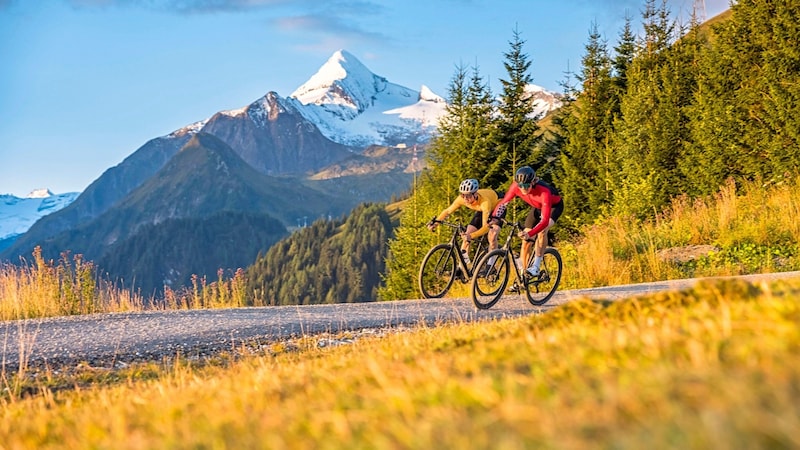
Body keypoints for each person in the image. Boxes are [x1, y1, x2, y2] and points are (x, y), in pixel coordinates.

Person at [492, 166, 564, 280]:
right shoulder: (516, 187)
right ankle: (523, 275)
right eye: (520, 185)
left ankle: (536, 266)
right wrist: (494, 218)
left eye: (526, 186)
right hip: (537, 208)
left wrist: (531, 234)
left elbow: (544, 221)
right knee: (525, 241)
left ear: (533, 182)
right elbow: (503, 203)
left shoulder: (544, 192)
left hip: (553, 208)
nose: (523, 189)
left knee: (542, 232)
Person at [427, 178, 504, 262]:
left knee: (492, 236)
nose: (465, 198)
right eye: (463, 195)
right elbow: (448, 211)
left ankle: (491, 264)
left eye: (468, 195)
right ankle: (463, 267)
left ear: (475, 194)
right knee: (466, 235)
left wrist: (471, 236)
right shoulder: (461, 198)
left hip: (498, 205)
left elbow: (485, 227)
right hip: (482, 210)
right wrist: (436, 222)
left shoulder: (485, 202)